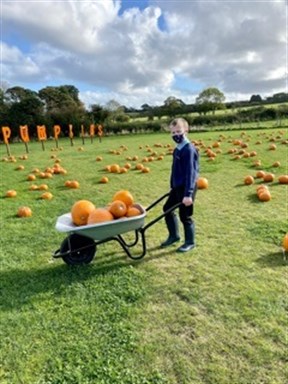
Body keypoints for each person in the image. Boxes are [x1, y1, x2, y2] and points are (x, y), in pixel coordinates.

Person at [161, 117, 199, 252]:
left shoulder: (188, 150)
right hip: (177, 187)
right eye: (173, 133)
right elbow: (175, 170)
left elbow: (191, 173)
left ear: (186, 131)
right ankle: (174, 236)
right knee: (167, 209)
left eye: (178, 131)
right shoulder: (177, 149)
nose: (176, 135)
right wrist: (172, 186)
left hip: (187, 187)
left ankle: (190, 242)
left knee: (185, 215)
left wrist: (188, 194)